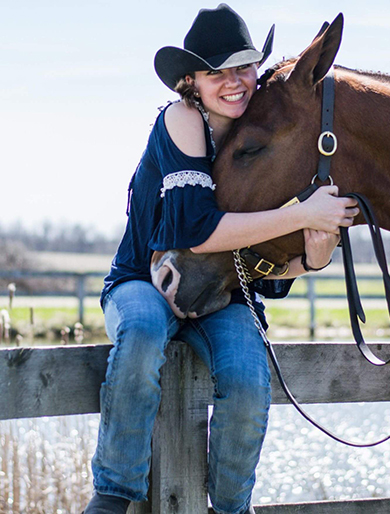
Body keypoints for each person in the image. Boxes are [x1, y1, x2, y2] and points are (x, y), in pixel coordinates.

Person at [83, 4, 358, 514]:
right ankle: (113, 494)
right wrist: (302, 215)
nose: (234, 82)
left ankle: (230, 507)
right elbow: (195, 229)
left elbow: (261, 258)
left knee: (249, 380)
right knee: (141, 334)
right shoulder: (182, 121)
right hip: (144, 276)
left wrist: (314, 255)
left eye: (244, 67)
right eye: (217, 72)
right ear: (191, 80)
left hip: (222, 291)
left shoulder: (257, 134)